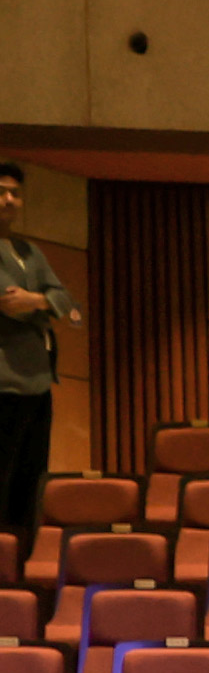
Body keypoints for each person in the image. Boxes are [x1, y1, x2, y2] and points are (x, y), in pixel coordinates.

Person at [0, 160, 79, 541]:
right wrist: (42, 303)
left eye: (15, 193)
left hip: (38, 381)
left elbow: (66, 300)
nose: (9, 200)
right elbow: (7, 302)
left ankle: (19, 560)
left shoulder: (28, 251)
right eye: (1, 192)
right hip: (4, 381)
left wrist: (38, 300)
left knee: (31, 481)